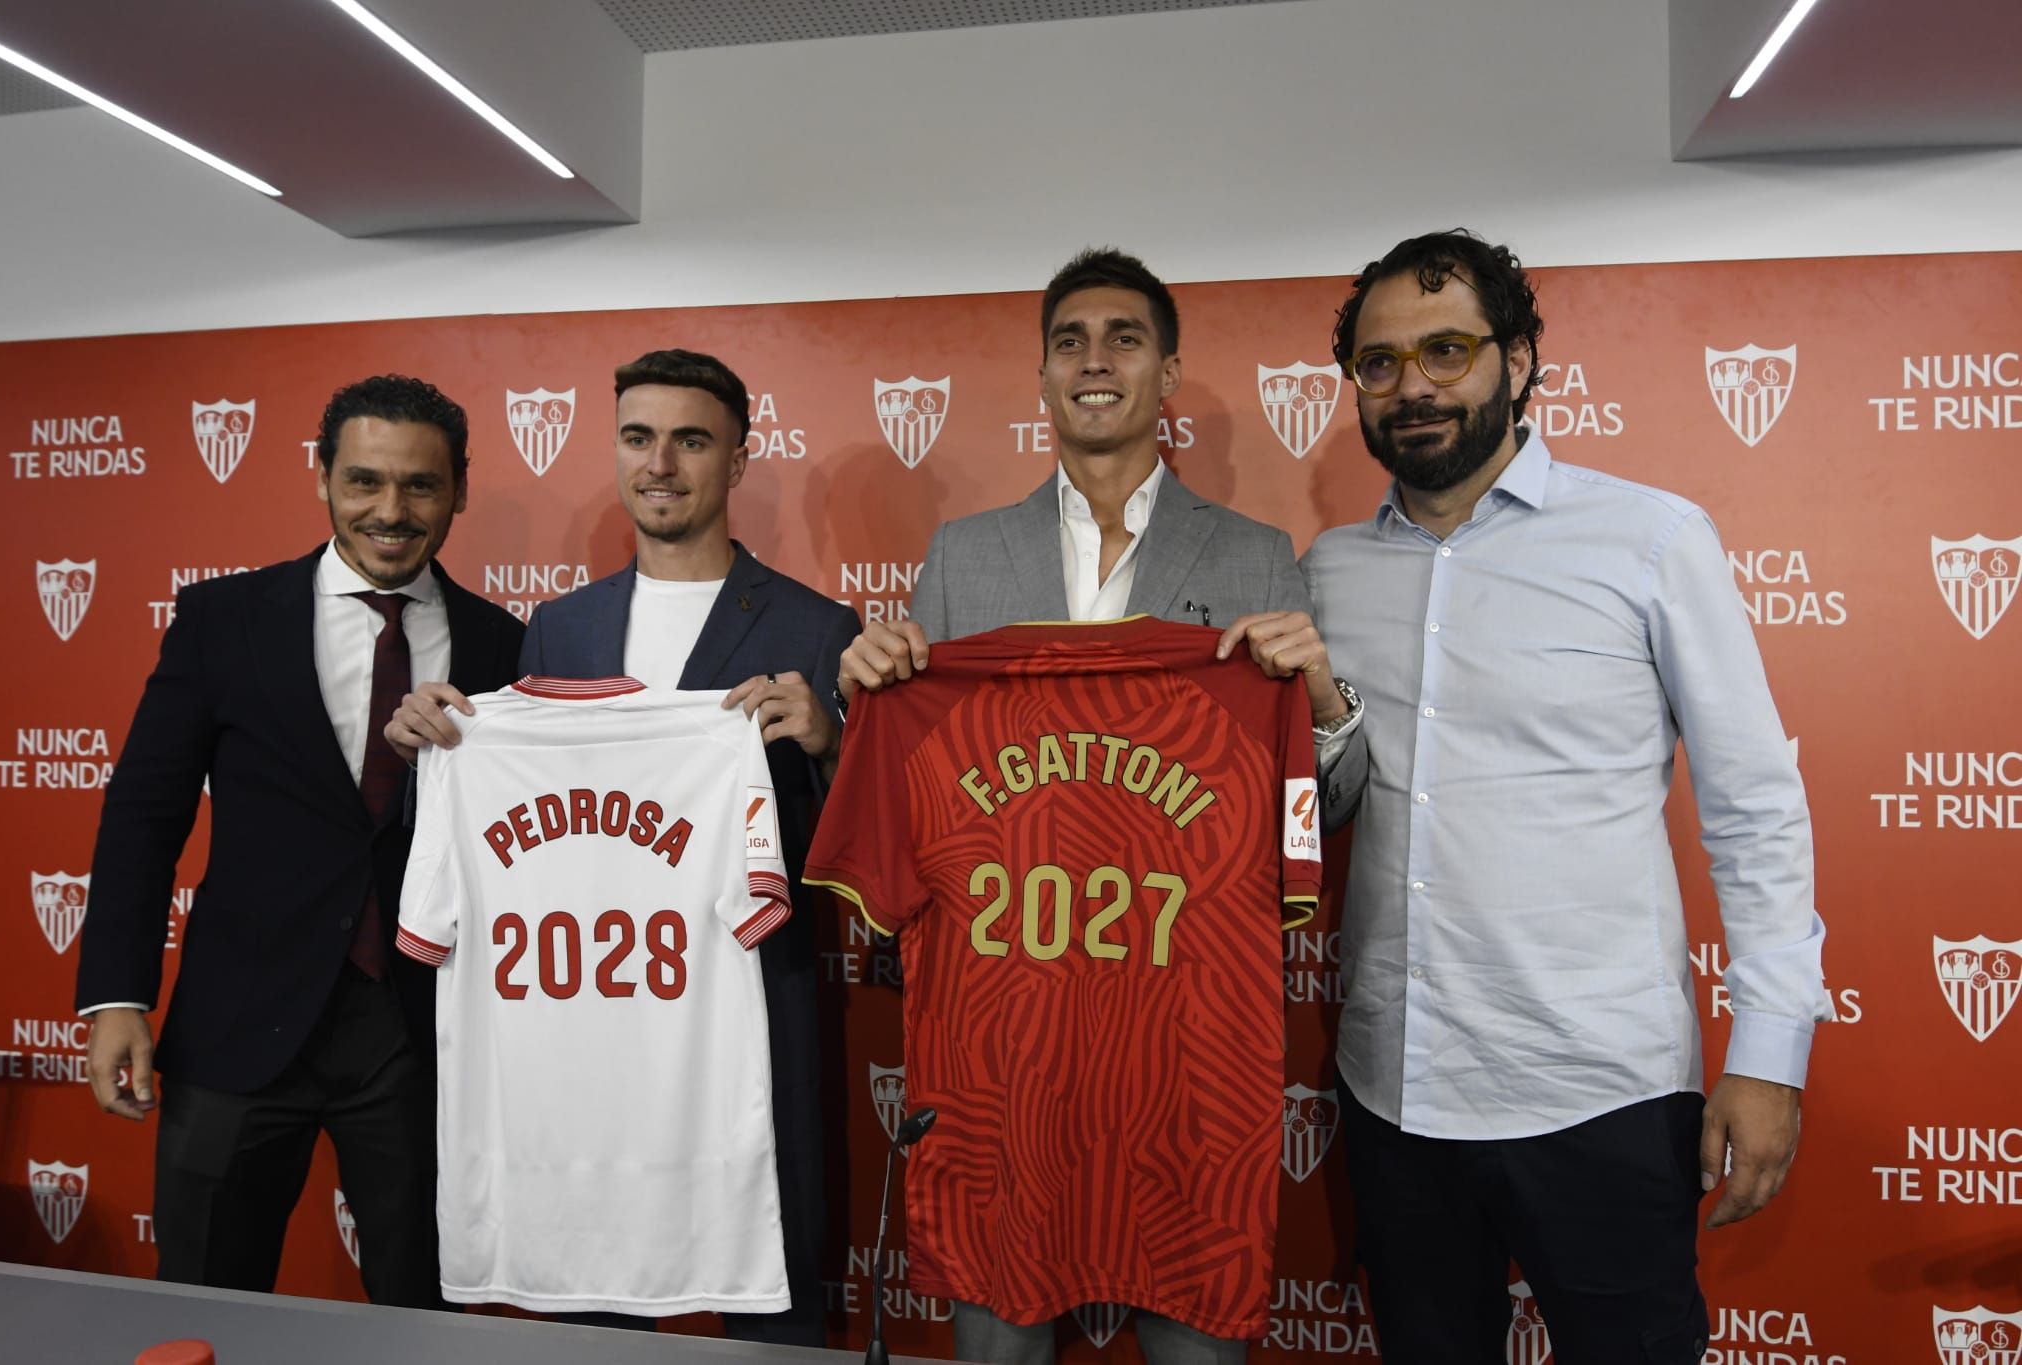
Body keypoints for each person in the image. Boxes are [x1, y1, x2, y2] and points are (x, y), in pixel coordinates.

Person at [1302, 230, 1832, 1363]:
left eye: (1446, 349)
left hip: (1598, 1095)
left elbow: (1751, 805)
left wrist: (1767, 1054)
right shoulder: (1326, 573)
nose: (1414, 387)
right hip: (1393, 1093)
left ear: (1520, 357)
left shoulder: (1647, 539)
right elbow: (1312, 800)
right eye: (1380, 364)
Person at [834, 247, 1363, 1365]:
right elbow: (914, 794)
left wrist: (1320, 700)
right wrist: (870, 695)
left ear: (1166, 374)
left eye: (1124, 338)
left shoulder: (1257, 557)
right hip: (1006, 1053)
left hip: (1181, 1049)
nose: (1094, 361)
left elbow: (1328, 802)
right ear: (1040, 378)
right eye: (1069, 340)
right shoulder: (962, 558)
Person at [385, 347, 857, 1345]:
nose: (661, 464)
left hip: (749, 1013)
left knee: (779, 1278)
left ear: (736, 457)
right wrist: (436, 742)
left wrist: (827, 748)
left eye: (691, 440)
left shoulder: (817, 629)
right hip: (593, 1023)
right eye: (639, 439)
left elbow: (848, 857)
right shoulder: (558, 629)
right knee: (596, 1298)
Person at [75, 375, 526, 1304]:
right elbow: (144, 815)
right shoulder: (222, 620)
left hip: (424, 1031)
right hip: (236, 1025)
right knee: (204, 1297)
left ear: (460, 490)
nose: (390, 512)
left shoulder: (509, 644)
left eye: (420, 487)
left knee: (430, 1310)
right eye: (363, 481)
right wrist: (117, 994)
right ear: (322, 479)